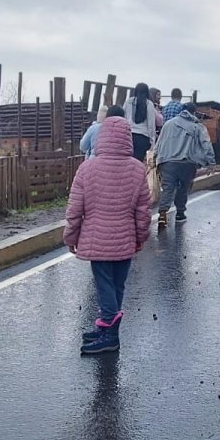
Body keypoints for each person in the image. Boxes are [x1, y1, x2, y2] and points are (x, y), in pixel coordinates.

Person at [64, 116, 152, 355]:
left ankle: (110, 335)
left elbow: (75, 208)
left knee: (104, 285)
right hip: (125, 238)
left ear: (101, 137)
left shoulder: (87, 168)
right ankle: (107, 329)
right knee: (117, 285)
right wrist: (141, 237)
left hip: (97, 238)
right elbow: (144, 210)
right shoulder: (137, 168)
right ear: (128, 139)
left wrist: (71, 237)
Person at [154, 102, 214, 230]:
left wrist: (156, 158)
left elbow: (159, 142)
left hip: (167, 161)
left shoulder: (168, 124)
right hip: (187, 163)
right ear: (194, 112)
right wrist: (211, 163)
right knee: (183, 188)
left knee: (168, 188)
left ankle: (163, 212)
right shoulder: (197, 126)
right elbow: (206, 143)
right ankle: (180, 213)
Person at [124, 83, 156, 161]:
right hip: (143, 137)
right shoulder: (149, 104)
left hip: (129, 135)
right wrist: (152, 141)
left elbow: (124, 118)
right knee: (138, 162)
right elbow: (151, 125)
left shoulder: (129, 102)